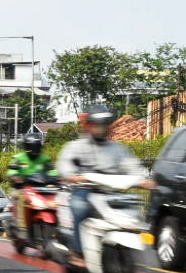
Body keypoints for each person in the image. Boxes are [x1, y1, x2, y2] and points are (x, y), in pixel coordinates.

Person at [55, 104, 151, 263]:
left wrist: (143, 180)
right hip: (85, 191)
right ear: (89, 126)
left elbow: (132, 167)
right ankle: (78, 252)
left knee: (133, 207)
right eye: (97, 125)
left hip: (112, 193)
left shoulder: (118, 149)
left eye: (104, 125)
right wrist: (73, 177)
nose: (101, 128)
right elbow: (65, 167)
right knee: (80, 207)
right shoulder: (75, 147)